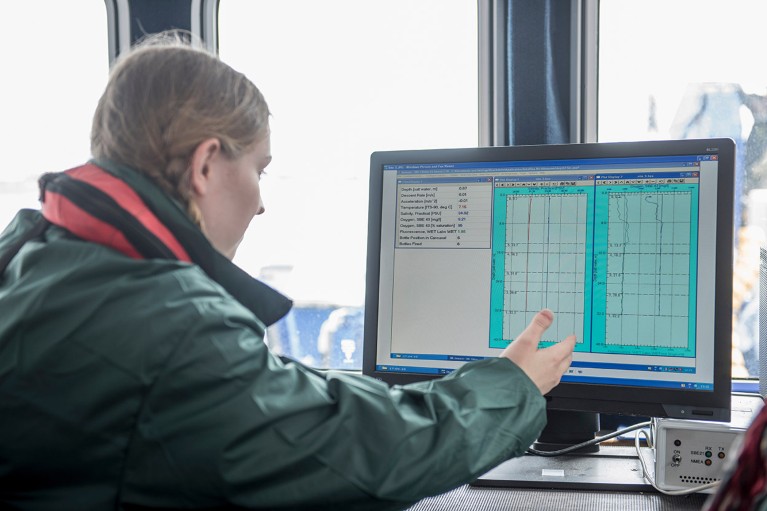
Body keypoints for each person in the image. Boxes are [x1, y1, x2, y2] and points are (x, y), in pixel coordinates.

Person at [0, 33, 576, 510]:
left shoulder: (30, 253)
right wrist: (511, 386)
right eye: (259, 169)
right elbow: (359, 454)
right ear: (205, 165)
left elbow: (272, 399)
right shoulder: (169, 324)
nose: (260, 202)